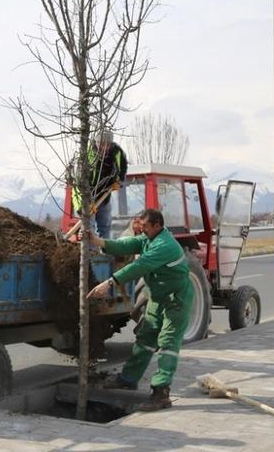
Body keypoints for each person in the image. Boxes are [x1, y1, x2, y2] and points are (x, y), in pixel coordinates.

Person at [86, 208, 193, 411]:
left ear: (157, 225)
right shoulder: (148, 238)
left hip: (175, 300)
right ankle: (128, 379)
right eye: (140, 226)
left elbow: (140, 266)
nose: (141, 230)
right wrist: (98, 241)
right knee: (145, 339)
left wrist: (109, 283)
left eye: (145, 227)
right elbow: (125, 244)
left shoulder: (164, 245)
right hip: (157, 298)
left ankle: (161, 393)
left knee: (168, 343)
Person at [72, 130, 128, 239]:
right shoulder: (86, 156)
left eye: (107, 144)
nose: (104, 147)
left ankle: (105, 250)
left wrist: (119, 181)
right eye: (101, 144)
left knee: (105, 225)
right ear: (95, 142)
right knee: (89, 227)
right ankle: (91, 253)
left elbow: (123, 169)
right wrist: (84, 205)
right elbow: (78, 185)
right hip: (87, 195)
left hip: (105, 194)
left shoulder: (117, 152)